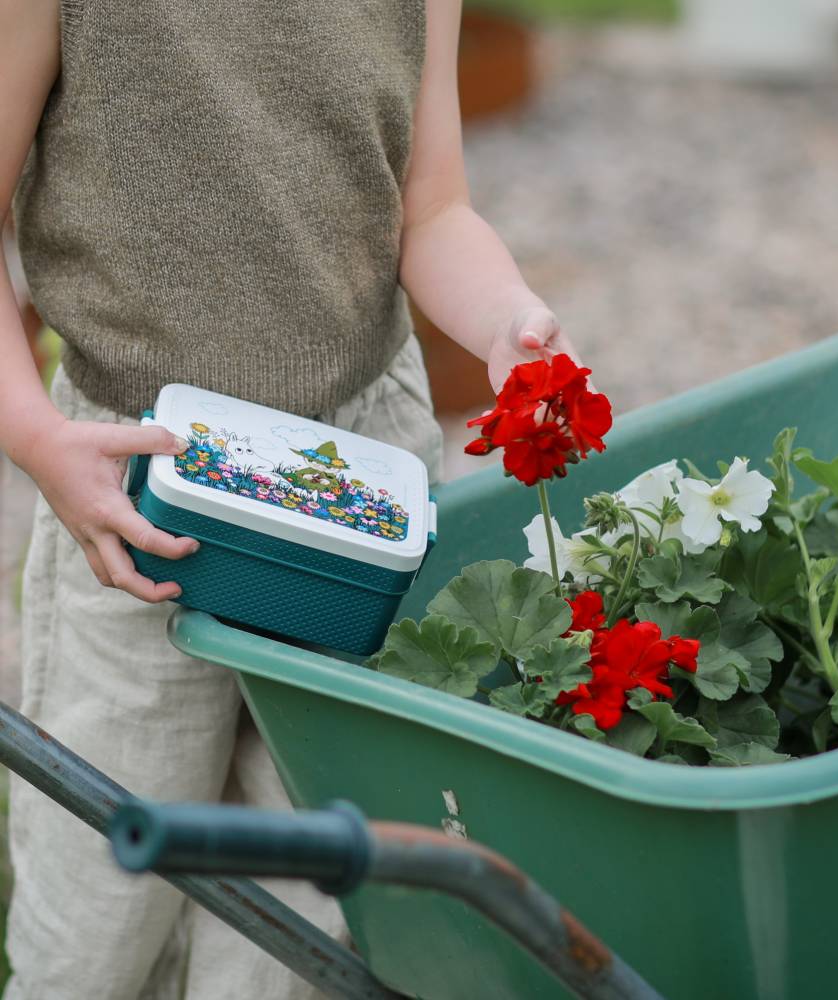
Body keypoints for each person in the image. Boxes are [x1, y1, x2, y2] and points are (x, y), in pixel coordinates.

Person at [0, 2, 582, 997]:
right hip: (137, 488)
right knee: (97, 910)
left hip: (351, 482)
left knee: (308, 901)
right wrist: (43, 443)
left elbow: (432, 209)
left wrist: (504, 320)